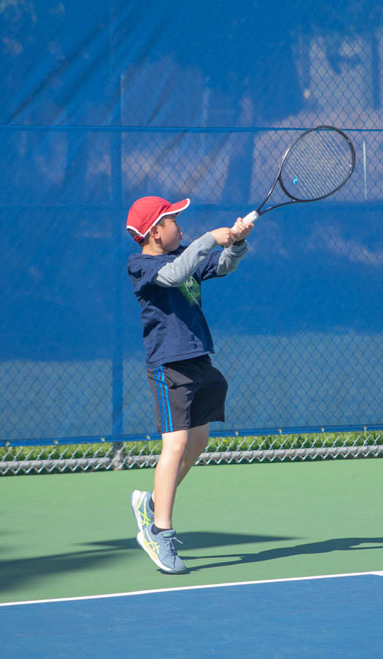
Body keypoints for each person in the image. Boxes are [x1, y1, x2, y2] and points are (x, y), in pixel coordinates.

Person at [125, 195, 253, 573]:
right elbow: (176, 274)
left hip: (199, 356)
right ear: (154, 233)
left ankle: (151, 503)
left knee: (197, 443)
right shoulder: (142, 265)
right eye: (172, 221)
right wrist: (210, 238)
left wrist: (237, 242)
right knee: (176, 443)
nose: (180, 226)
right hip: (169, 365)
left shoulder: (185, 252)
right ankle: (159, 533)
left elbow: (223, 266)